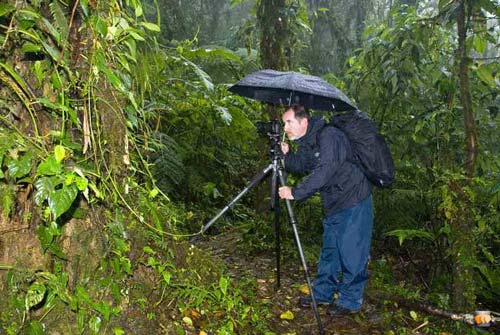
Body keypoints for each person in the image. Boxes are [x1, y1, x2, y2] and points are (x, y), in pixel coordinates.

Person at [278, 104, 373, 315]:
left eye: (289, 122)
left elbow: (325, 171)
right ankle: (322, 293)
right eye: (284, 123)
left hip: (354, 199)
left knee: (352, 253)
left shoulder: (330, 135)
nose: (285, 127)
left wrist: (296, 191)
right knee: (330, 251)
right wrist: (285, 156)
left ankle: (349, 302)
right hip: (333, 203)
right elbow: (302, 165)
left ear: (304, 122)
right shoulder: (307, 141)